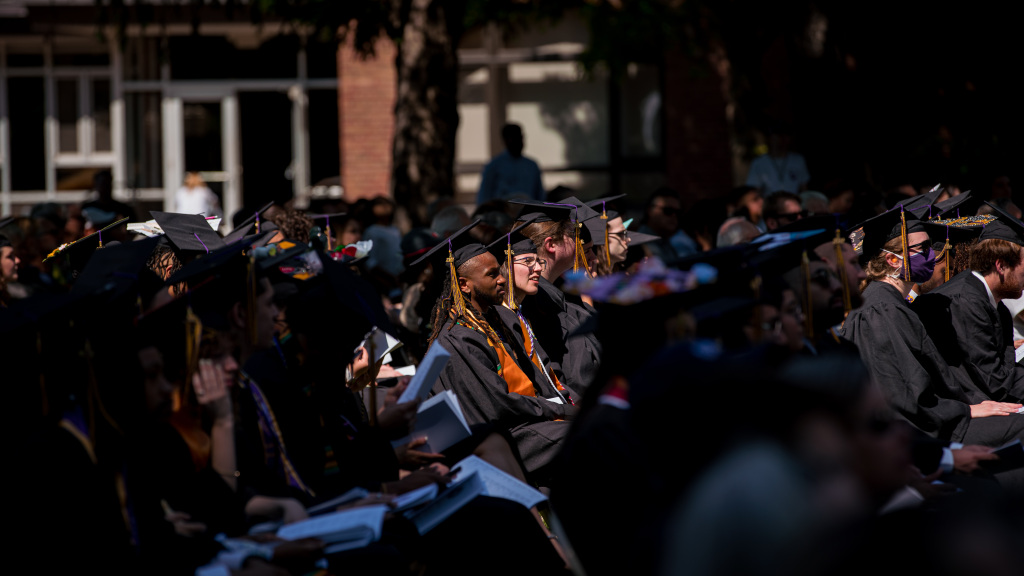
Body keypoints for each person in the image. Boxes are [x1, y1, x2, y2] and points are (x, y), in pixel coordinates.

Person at [840, 207, 1023, 446]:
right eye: (924, 249)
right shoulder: (882, 309)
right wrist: (966, 410)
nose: (934, 256)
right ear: (893, 259)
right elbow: (903, 393)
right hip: (920, 432)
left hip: (937, 417)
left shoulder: (892, 302)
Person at [413, 221, 576, 482]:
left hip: (532, 421)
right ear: (464, 285)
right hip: (507, 437)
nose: (502, 278)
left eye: (499, 270)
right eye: (492, 274)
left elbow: (538, 377)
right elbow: (497, 406)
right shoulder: (456, 341)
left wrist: (566, 404)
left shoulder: (499, 319)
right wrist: (557, 411)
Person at [914, 203, 1024, 404]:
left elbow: (1004, 371)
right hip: (961, 407)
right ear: (1001, 266)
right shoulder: (964, 301)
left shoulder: (992, 302)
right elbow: (994, 381)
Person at [477, 123, 545, 204]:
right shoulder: (494, 166)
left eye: (520, 137)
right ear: (505, 140)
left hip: (529, 214)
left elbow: (540, 197)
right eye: (514, 138)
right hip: (502, 214)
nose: (518, 141)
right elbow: (483, 199)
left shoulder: (532, 166)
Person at [745, 124, 810, 195]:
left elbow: (804, 187)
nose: (782, 139)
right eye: (778, 135)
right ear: (769, 138)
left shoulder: (798, 160)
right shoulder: (759, 162)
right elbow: (754, 189)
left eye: (786, 136)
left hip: (793, 202)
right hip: (770, 204)